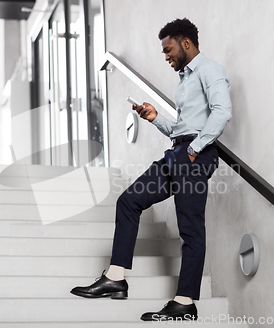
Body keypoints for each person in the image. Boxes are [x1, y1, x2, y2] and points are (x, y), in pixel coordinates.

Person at [70, 17, 232, 321]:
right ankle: (115, 279)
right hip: (178, 152)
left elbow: (223, 112)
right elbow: (181, 129)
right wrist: (155, 117)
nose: (166, 55)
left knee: (190, 228)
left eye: (168, 49)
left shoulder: (211, 71)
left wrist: (196, 149)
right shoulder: (184, 82)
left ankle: (184, 303)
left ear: (186, 43)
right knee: (129, 201)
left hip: (195, 155)